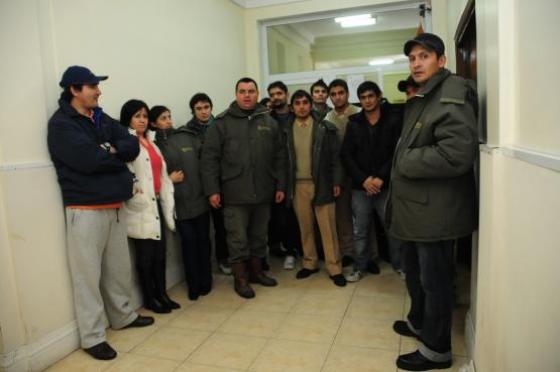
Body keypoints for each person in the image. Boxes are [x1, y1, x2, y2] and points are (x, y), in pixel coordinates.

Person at [47, 66, 154, 361]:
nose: (98, 90)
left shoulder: (100, 117)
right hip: (84, 209)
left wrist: (109, 149)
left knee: (119, 269)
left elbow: (131, 143)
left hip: (114, 206)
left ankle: (122, 316)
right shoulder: (61, 125)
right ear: (74, 90)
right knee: (87, 276)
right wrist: (109, 152)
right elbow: (88, 160)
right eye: (92, 86)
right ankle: (93, 337)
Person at [389, 33, 478, 371]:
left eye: (424, 56)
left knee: (435, 281)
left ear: (441, 60)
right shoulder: (427, 94)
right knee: (413, 273)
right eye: (412, 58)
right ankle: (418, 322)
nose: (416, 63)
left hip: (435, 212)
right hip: (417, 210)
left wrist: (405, 160)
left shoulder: (453, 92)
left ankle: (436, 350)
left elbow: (457, 153)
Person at [201, 77, 287, 299]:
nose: (247, 95)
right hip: (234, 193)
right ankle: (240, 279)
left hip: (264, 191)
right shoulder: (221, 123)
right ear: (236, 94)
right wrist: (212, 190)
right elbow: (209, 160)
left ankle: (257, 273)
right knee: (237, 239)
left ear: (257, 94)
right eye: (242, 91)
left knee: (260, 236)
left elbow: (279, 157)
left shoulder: (269, 122)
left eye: (251, 91)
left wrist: (280, 185)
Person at [119, 99, 179, 313]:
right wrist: (136, 191)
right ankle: (150, 298)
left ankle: (162, 294)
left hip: (156, 205)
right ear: (129, 120)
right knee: (146, 258)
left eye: (145, 116)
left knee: (160, 254)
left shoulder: (150, 142)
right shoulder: (126, 142)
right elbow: (125, 172)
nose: (142, 120)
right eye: (138, 116)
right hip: (141, 207)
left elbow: (159, 174)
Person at [340, 81, 403, 282]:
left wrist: (380, 179)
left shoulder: (392, 120)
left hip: (384, 185)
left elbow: (396, 153)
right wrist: (365, 179)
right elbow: (346, 155)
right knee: (360, 230)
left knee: (392, 228)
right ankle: (359, 267)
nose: (367, 100)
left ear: (378, 96)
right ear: (359, 100)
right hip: (361, 187)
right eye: (363, 97)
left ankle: (400, 265)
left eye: (370, 96)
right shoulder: (354, 122)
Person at [151, 103, 213, 301]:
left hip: (199, 200)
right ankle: (193, 284)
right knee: (188, 245)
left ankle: (206, 281)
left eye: (169, 116)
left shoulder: (186, 136)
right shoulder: (153, 146)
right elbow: (152, 176)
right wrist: (169, 179)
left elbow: (205, 163)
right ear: (154, 123)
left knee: (204, 242)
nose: (168, 121)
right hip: (178, 204)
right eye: (163, 118)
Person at [286, 90, 346, 287]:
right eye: (297, 103)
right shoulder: (285, 129)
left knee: (328, 229)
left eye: (305, 102)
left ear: (311, 104)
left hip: (322, 183)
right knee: (306, 228)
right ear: (292, 107)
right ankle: (310, 263)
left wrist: (336, 182)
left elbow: (337, 159)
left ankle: (334, 267)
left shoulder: (325, 128)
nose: (302, 106)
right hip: (298, 185)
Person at [324, 79, 368, 270]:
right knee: (343, 218)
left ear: (347, 94)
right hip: (339, 176)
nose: (337, 97)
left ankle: (369, 255)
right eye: (333, 94)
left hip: (359, 174)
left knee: (364, 217)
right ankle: (348, 253)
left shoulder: (359, 114)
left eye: (340, 93)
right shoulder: (327, 119)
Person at [266, 81, 302, 270]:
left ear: (286, 95)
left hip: (297, 173)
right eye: (272, 94)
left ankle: (292, 251)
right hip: (274, 174)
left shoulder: (296, 115)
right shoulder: (267, 119)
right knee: (277, 216)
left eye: (279, 93)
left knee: (292, 216)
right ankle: (279, 248)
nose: (275, 97)